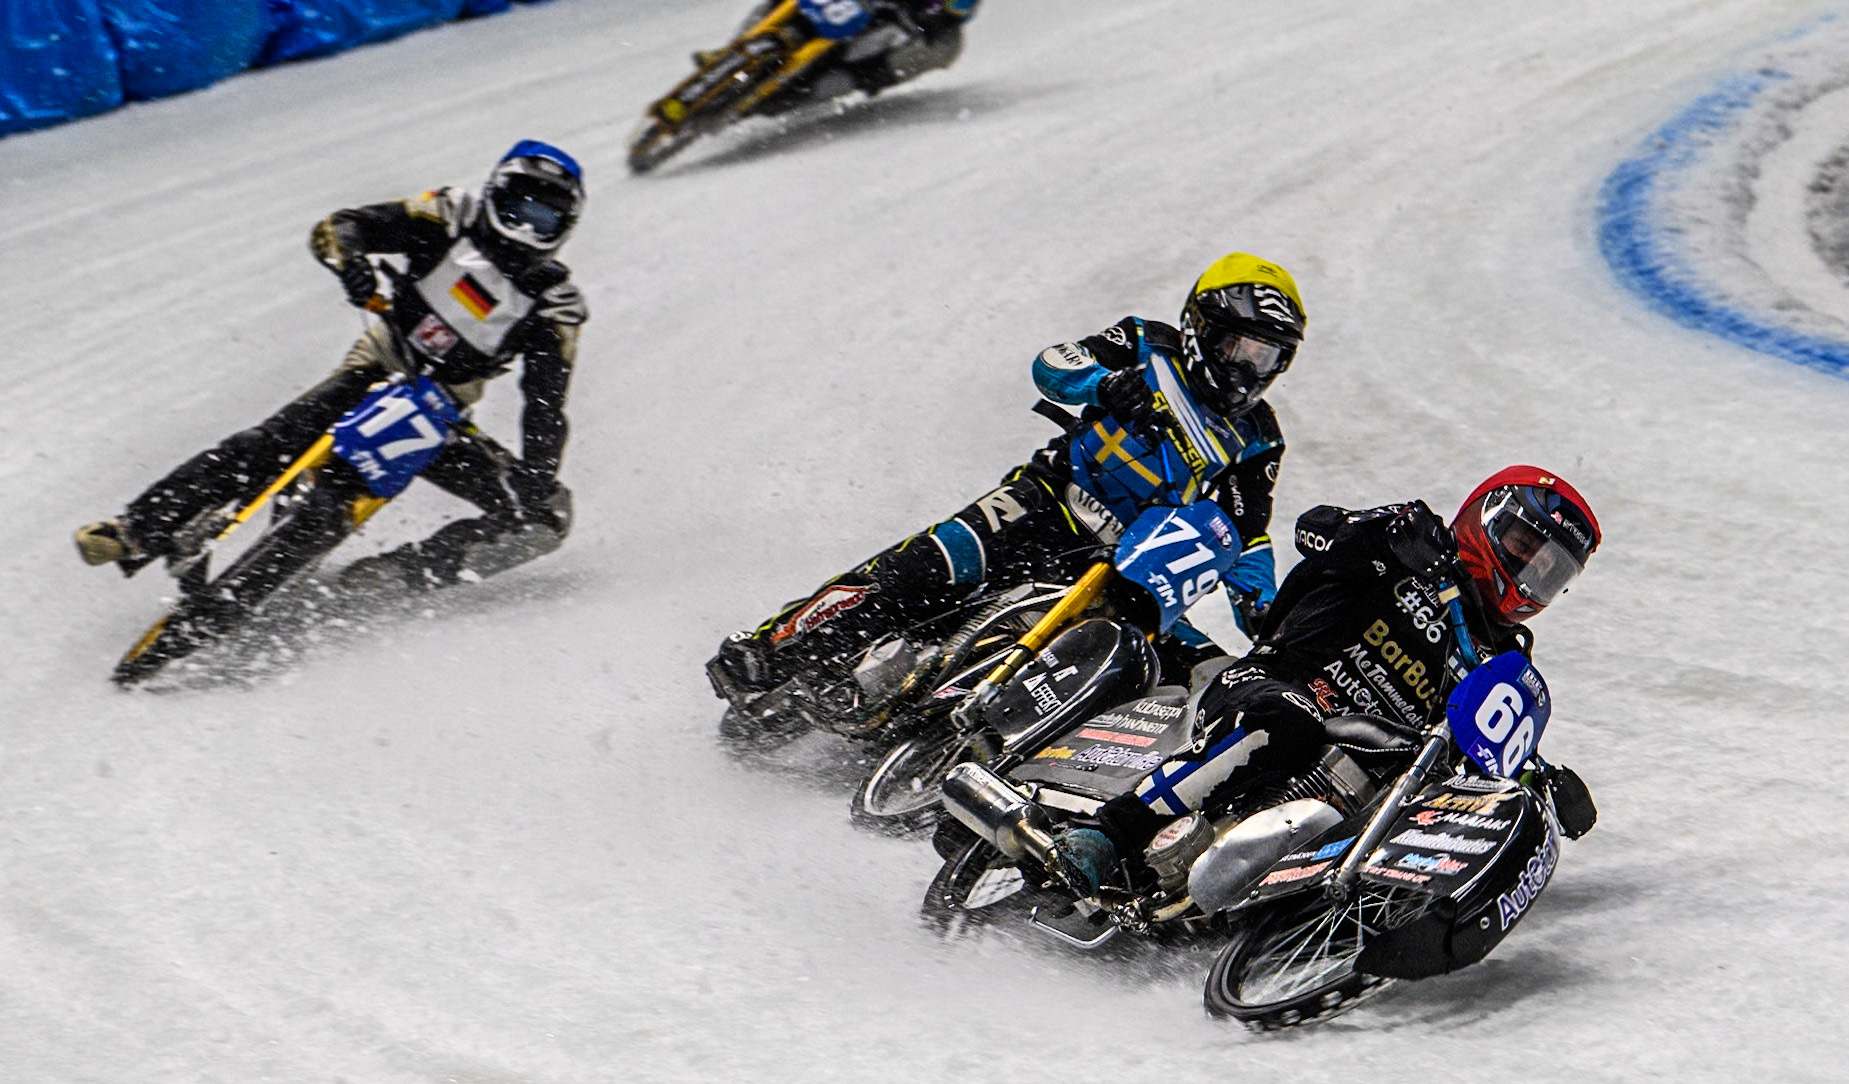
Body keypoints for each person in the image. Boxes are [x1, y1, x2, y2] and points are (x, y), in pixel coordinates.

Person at [707, 252, 1307, 733]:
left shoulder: (1259, 438)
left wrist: (1269, 618)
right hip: (1046, 502)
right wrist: (1105, 384)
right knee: (927, 565)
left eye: (1267, 357)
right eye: (1240, 348)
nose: (1247, 370)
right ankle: (772, 649)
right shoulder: (1146, 344)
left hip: (1126, 566)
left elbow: (1246, 533)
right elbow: (1053, 363)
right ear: (1201, 327)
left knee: (1157, 676)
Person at [1048, 466, 1604, 895]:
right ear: (1487, 519)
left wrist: (1539, 785)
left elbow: (1480, 743)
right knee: (1289, 725)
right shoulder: (1412, 541)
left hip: (1356, 774)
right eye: (1524, 546)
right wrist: (1380, 537)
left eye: (1550, 570)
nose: (1531, 573)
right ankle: (1110, 832)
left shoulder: (1503, 657)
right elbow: (1315, 531)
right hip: (1271, 689)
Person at [75, 140, 588, 594]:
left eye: (542, 218)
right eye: (517, 207)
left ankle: (401, 574)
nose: (523, 227)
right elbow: (341, 226)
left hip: (443, 411)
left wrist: (537, 475)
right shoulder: (449, 213)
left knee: (545, 515)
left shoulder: (555, 305)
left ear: (562, 230)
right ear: (494, 192)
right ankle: (136, 528)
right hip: (382, 364)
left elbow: (545, 402)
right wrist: (352, 264)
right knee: (273, 441)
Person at [704, 0, 979, 114]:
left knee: (934, 49)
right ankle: (733, 51)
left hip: (885, 25)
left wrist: (926, 20)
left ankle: (805, 92)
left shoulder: (948, 33)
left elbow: (952, 14)